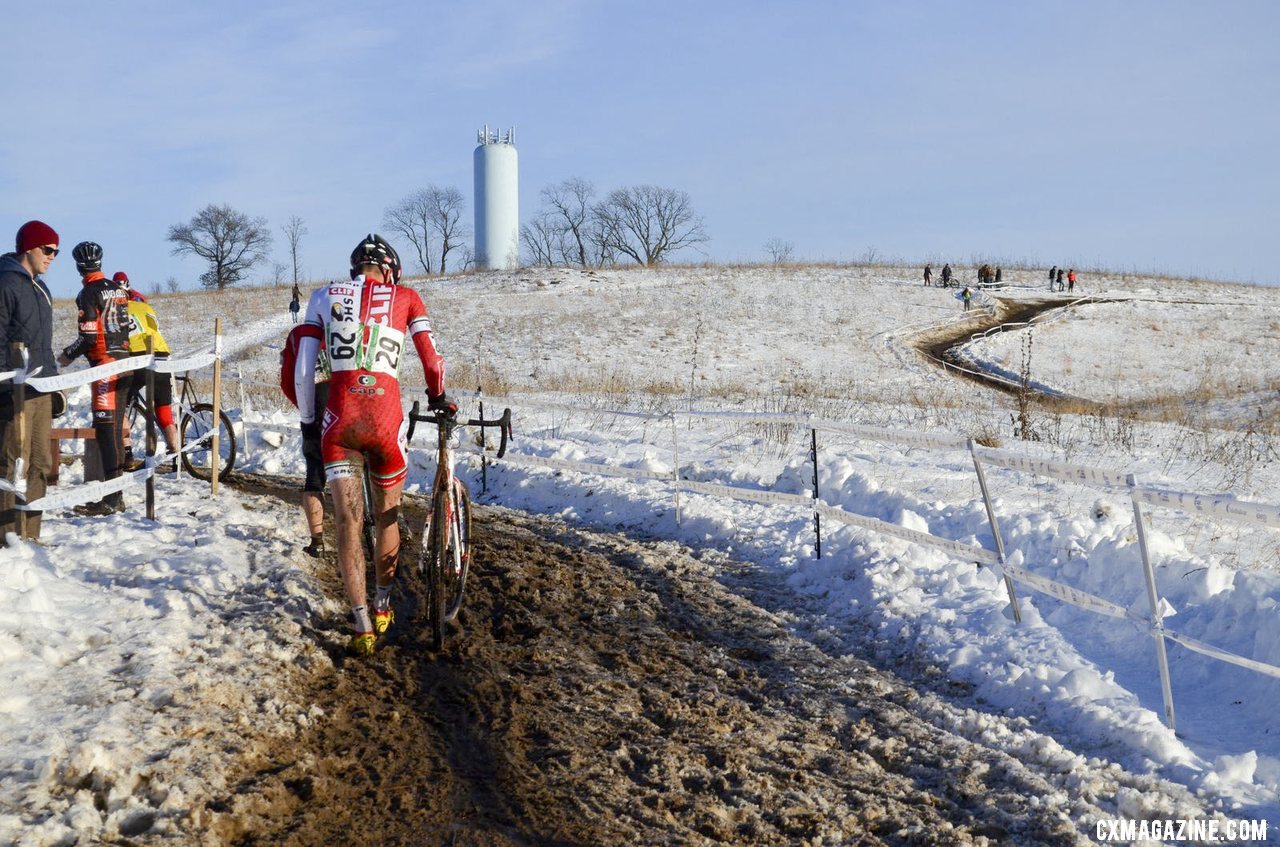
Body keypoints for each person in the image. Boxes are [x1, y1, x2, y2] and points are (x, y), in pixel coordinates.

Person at [295, 234, 449, 656]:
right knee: (386, 518)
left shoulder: (322, 296)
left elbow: (305, 367)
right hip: (385, 418)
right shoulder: (406, 296)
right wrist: (438, 396)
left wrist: (310, 421)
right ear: (389, 269)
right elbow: (432, 359)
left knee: (347, 523)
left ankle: (361, 621)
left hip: (339, 418)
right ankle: (383, 604)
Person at [57, 242, 130, 516]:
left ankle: (112, 498)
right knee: (114, 432)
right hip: (126, 363)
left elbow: (88, 337)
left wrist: (66, 356)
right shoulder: (117, 287)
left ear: (77, 266)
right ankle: (116, 495)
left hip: (105, 367)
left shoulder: (87, 293)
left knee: (105, 432)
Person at [0, 221, 61, 545]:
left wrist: (56, 385)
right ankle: (6, 540)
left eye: (55, 251)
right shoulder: (6, 283)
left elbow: (44, 345)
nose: (52, 256)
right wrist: (5, 387)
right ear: (29, 248)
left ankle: (31, 536)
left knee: (41, 462)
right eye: (47, 250)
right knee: (13, 464)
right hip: (14, 391)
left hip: (41, 390)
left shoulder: (43, 289)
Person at [114, 271, 181, 466]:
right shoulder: (145, 306)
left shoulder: (119, 308)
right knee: (163, 409)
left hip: (137, 358)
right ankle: (176, 454)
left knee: (119, 406)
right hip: (161, 355)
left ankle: (126, 455)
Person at [282, 321, 330, 557]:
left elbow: (287, 381)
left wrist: (305, 410)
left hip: (316, 402)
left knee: (315, 472)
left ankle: (317, 541)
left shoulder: (298, 333)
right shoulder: (353, 325)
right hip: (354, 400)